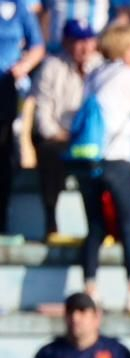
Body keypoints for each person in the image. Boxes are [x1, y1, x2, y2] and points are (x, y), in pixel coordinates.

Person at [76, 23, 130, 312]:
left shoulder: (94, 74)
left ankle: (90, 287)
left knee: (95, 227)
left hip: (88, 160)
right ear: (127, 48)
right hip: (117, 159)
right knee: (127, 225)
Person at [30, 19, 97, 239]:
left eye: (88, 41)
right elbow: (43, 112)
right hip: (59, 136)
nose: (85, 47)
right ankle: (51, 222)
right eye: (79, 42)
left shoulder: (100, 67)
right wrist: (59, 134)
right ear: (67, 43)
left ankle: (98, 226)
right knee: (50, 154)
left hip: (91, 138)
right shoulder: (52, 67)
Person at [0, 0, 42, 235]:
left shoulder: (18, 7)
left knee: (4, 153)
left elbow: (37, 45)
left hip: (5, 88)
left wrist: (21, 67)